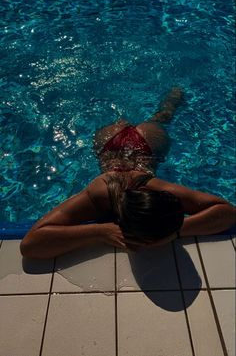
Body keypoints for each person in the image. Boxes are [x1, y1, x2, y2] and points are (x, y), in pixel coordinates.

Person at [20, 88, 236, 259]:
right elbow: (30, 245)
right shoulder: (101, 193)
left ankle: (169, 98)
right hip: (146, 144)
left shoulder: (153, 187)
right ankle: (170, 99)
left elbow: (228, 212)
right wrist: (99, 231)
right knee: (158, 119)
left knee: (156, 118)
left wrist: (178, 231)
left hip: (114, 144)